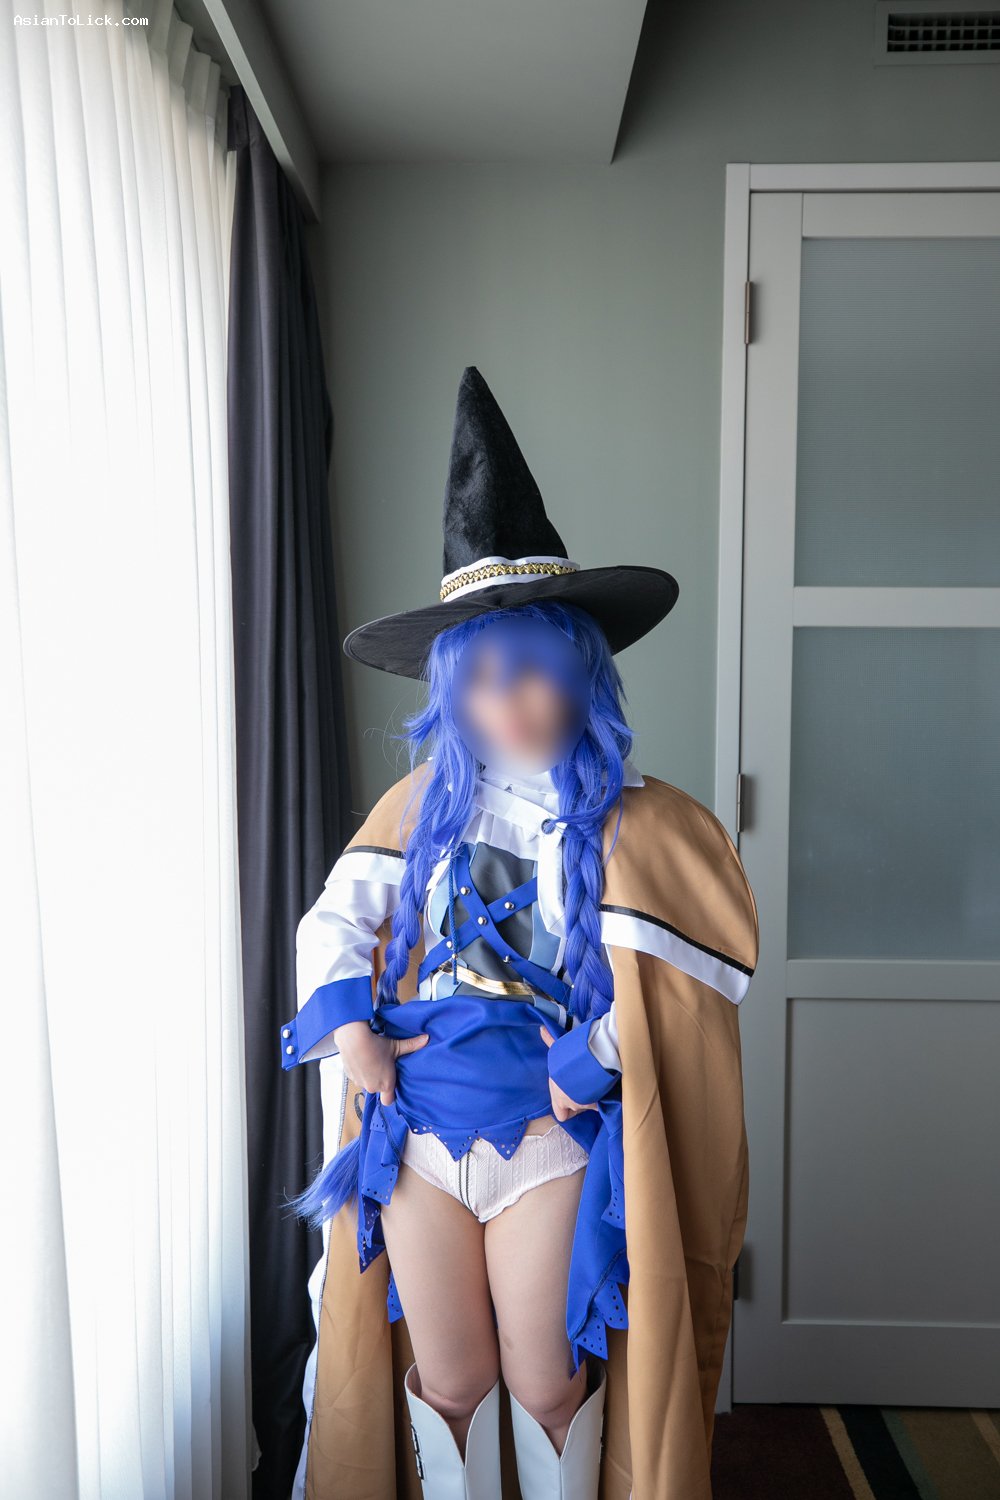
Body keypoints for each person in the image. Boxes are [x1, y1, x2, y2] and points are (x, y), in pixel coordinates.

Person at [280, 367, 759, 1500]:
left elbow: (671, 1005)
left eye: (536, 671)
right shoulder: (422, 807)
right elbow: (330, 927)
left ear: (582, 670)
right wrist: (360, 1045)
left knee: (545, 1382)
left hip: (549, 1142)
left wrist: (588, 1060)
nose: (513, 702)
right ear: (452, 692)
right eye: (485, 679)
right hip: (419, 1134)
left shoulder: (640, 823)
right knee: (450, 1380)